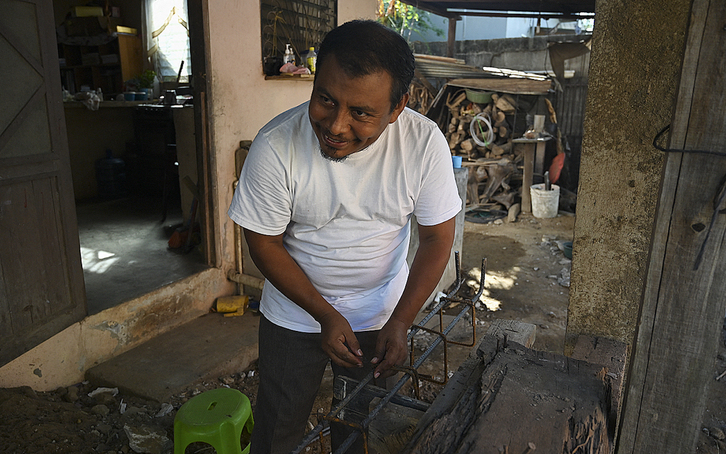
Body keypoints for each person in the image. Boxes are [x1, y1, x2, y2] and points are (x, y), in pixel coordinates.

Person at [228, 19, 462, 454]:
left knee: (363, 428)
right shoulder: (276, 145)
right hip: (294, 316)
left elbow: (435, 239)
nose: (336, 126)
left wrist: (401, 320)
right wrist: (325, 314)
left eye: (361, 113)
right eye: (326, 100)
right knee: (278, 431)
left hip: (381, 315)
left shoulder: (423, 144)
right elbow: (263, 242)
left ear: (397, 108)